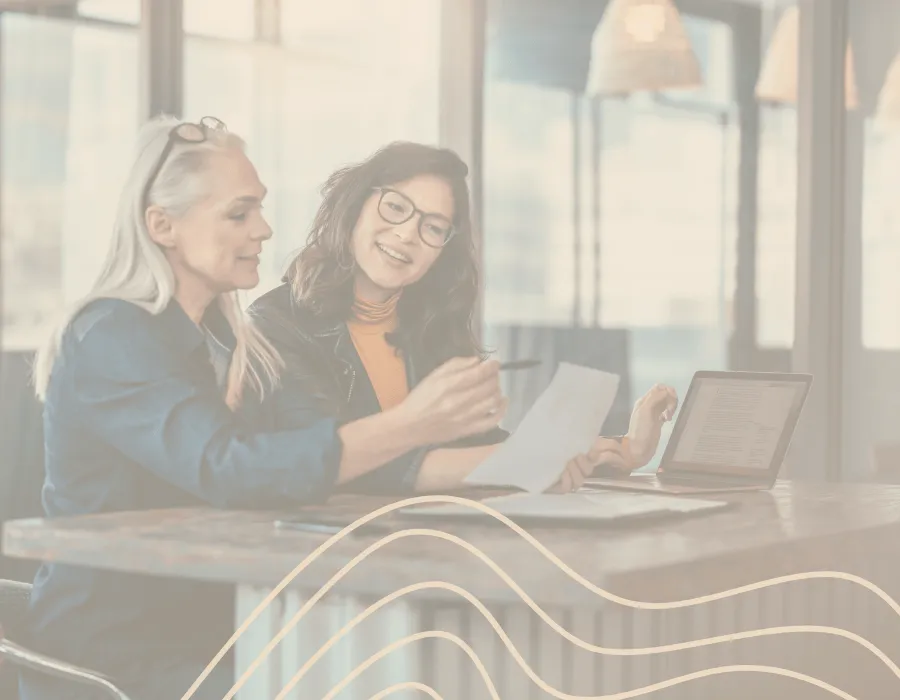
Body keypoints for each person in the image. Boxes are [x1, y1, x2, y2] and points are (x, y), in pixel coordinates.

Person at [22, 115, 389, 700]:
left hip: (219, 632)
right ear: (162, 226)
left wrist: (495, 466)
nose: (264, 229)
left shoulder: (239, 345)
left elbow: (322, 442)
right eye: (239, 214)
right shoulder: (110, 336)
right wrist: (411, 425)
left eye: (260, 208)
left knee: (384, 669)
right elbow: (230, 466)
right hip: (119, 657)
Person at [244, 141, 678, 495]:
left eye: (433, 227)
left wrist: (621, 451)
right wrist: (523, 462)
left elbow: (479, 448)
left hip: (430, 545)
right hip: (330, 556)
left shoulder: (428, 326)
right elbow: (336, 462)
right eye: (395, 207)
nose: (407, 234)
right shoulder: (275, 324)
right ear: (356, 205)